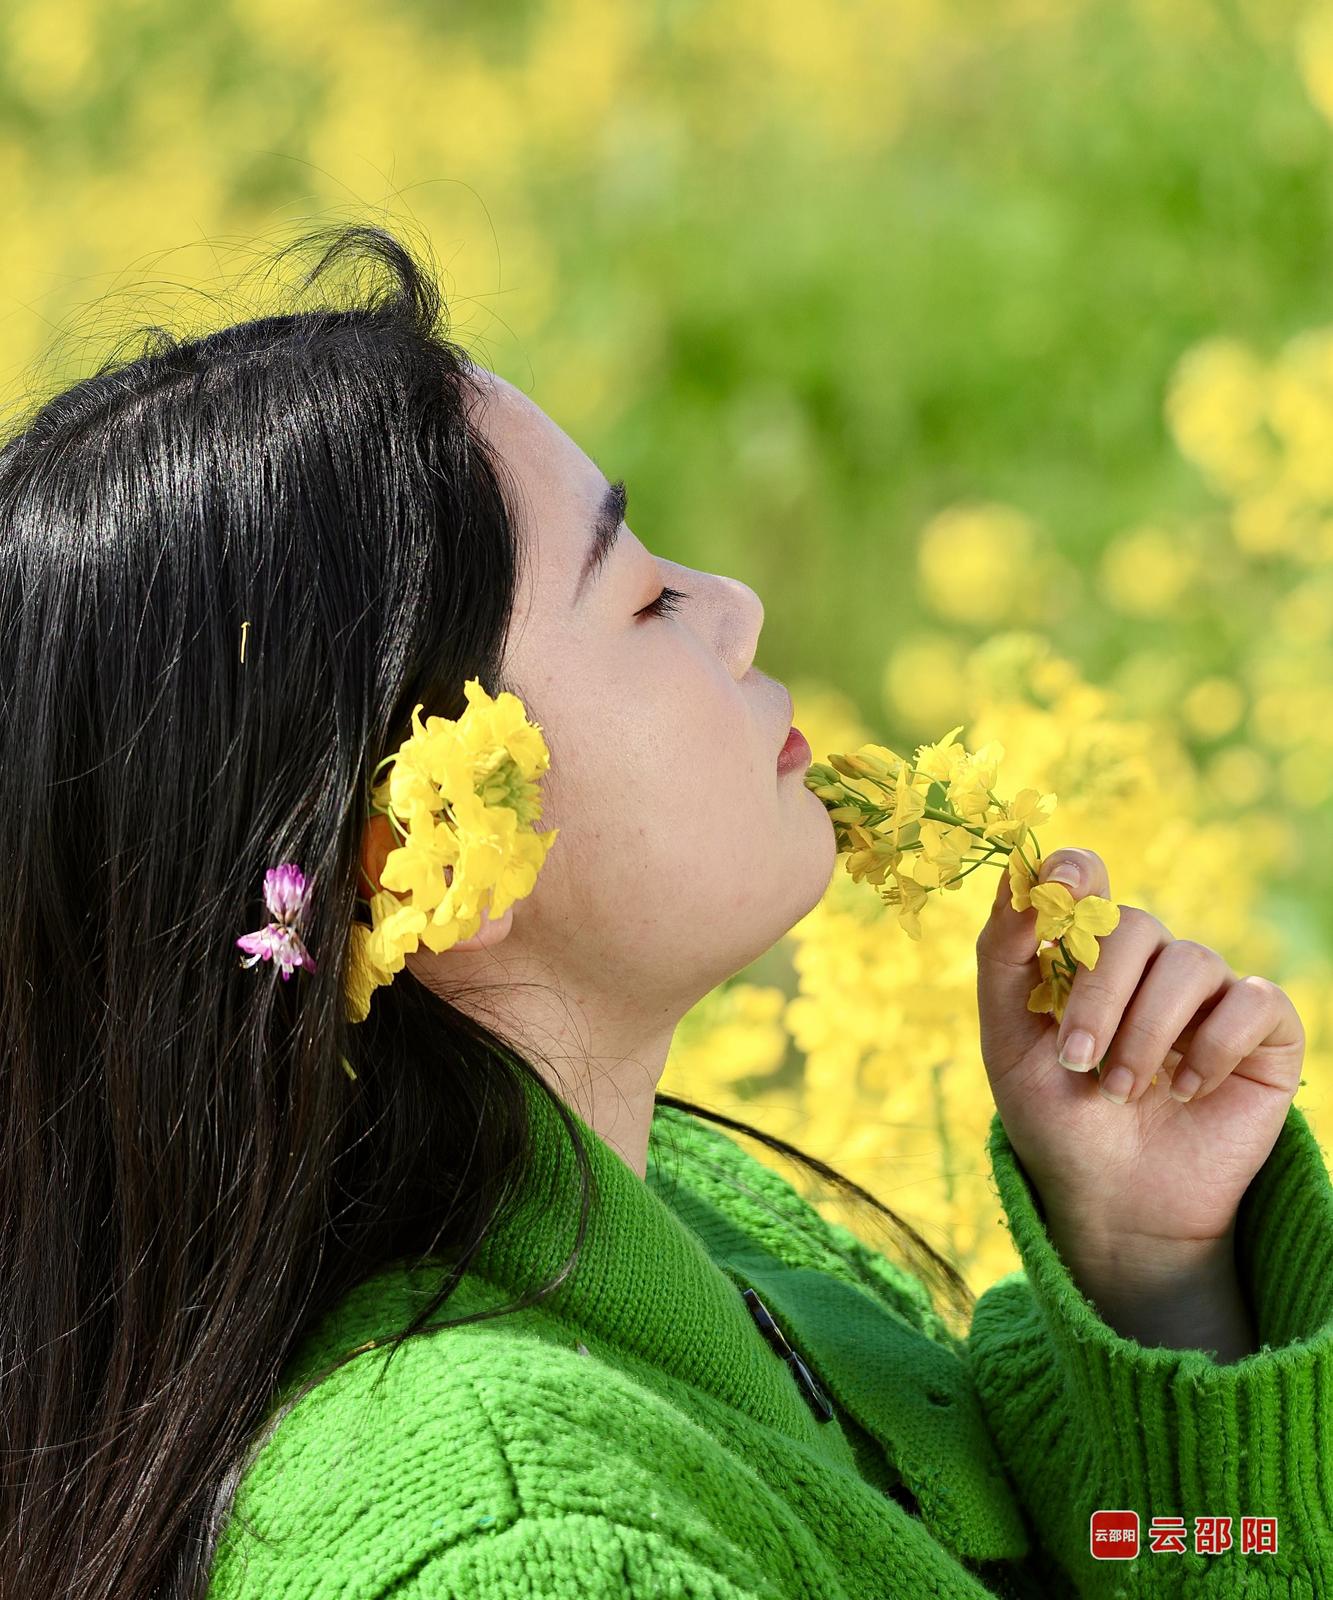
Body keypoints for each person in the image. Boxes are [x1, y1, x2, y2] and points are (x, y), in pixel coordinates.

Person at [1, 222, 1327, 1600]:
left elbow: (1147, 1554)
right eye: (639, 600)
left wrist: (1158, 1283)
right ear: (431, 852)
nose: (738, 607)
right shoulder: (516, 1546)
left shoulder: (714, 1228)